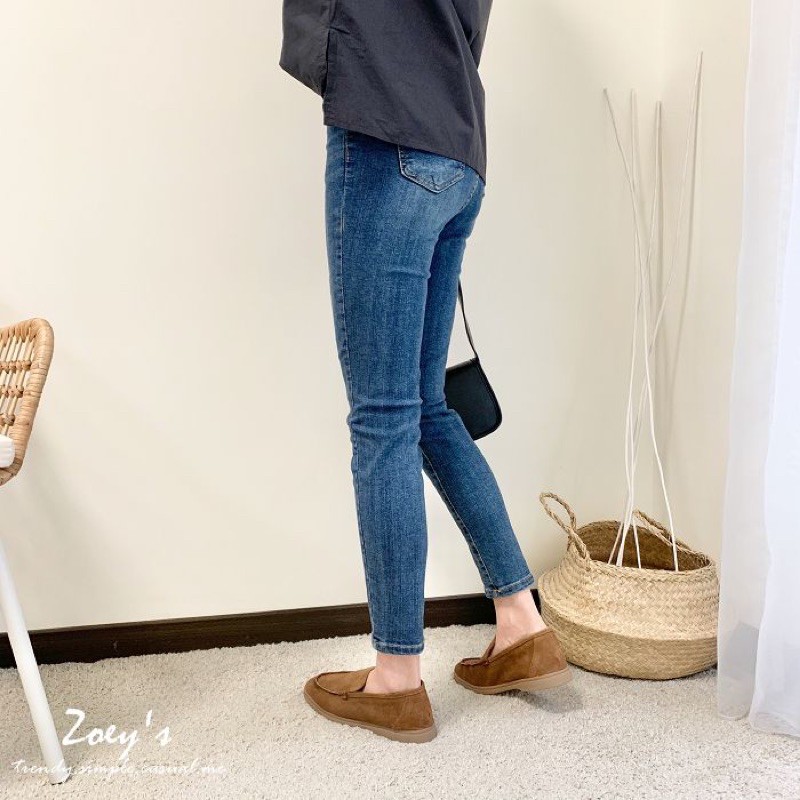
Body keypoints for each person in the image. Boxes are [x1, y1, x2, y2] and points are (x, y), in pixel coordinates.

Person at [280, 0, 571, 743]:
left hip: (388, 135)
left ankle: (397, 678)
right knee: (425, 406)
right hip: (458, 145)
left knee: (383, 419)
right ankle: (520, 623)